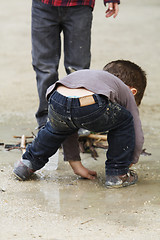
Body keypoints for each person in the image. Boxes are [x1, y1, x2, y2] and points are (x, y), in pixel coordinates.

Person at [13, 60, 147, 188]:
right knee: (125, 119)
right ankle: (117, 175)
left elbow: (70, 127)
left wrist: (77, 166)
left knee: (55, 129)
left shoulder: (93, 78)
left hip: (57, 96)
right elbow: (137, 132)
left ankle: (26, 164)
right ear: (132, 91)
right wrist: (130, 160)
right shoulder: (125, 90)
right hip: (90, 103)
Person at [32, 0, 120, 129]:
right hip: (43, 5)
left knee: (78, 69)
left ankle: (78, 119)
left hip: (80, 6)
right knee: (45, 68)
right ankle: (48, 120)